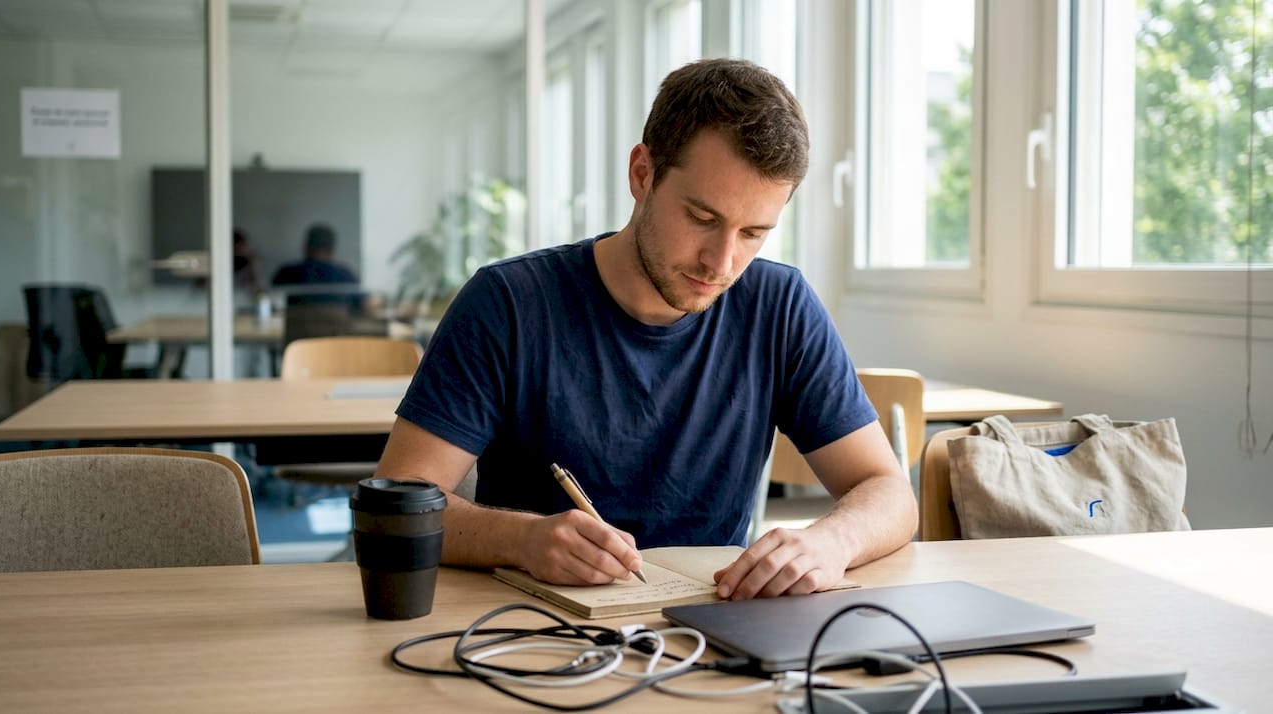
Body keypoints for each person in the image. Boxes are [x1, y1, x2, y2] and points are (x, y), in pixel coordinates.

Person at [375, 58, 918, 601]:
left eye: (753, 233)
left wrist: (829, 543)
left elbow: (889, 491)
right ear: (642, 174)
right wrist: (522, 539)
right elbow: (399, 499)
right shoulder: (509, 303)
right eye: (702, 219)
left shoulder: (780, 305)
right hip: (530, 625)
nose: (721, 262)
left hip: (712, 629)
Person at [271, 223, 358, 287]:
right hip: (334, 312)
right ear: (332, 250)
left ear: (305, 247)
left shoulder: (286, 273)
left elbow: (270, 301)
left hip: (298, 312)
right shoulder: (346, 275)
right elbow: (365, 304)